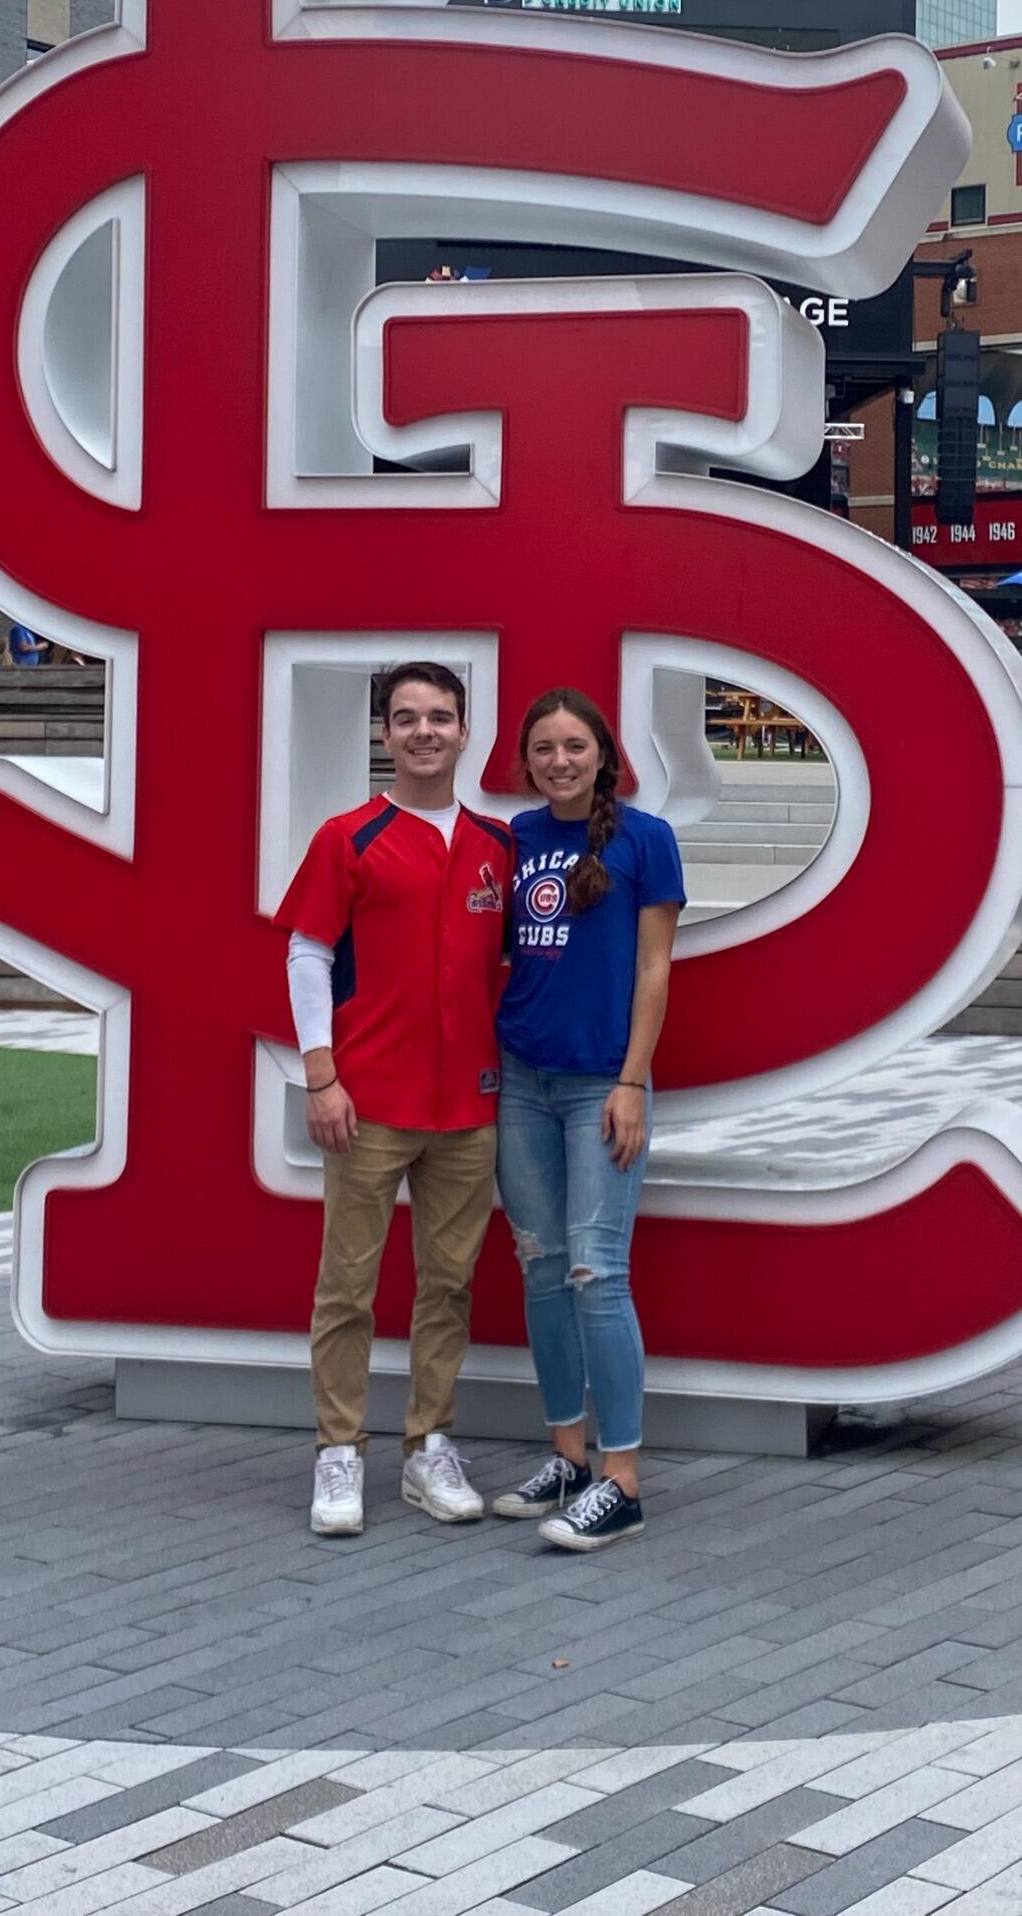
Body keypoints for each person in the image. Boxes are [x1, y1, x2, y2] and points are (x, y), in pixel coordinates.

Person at [277, 662, 515, 1539]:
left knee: (448, 1287)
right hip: (367, 1102)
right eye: (406, 718)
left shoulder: (497, 845)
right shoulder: (349, 837)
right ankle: (338, 1451)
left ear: (464, 732)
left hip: (469, 1107)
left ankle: (429, 1447)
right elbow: (307, 953)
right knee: (347, 1287)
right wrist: (321, 1074)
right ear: (385, 734)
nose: (423, 732)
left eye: (439, 717)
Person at [491, 689, 685, 1553]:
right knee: (540, 1270)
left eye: (574, 745)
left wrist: (631, 1081)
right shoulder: (516, 839)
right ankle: (568, 1459)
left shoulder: (646, 839)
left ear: (603, 754)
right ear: (525, 761)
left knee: (596, 1275)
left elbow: (654, 968)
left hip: (600, 1086)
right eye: (543, 748)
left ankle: (623, 1480)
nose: (558, 761)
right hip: (520, 1081)